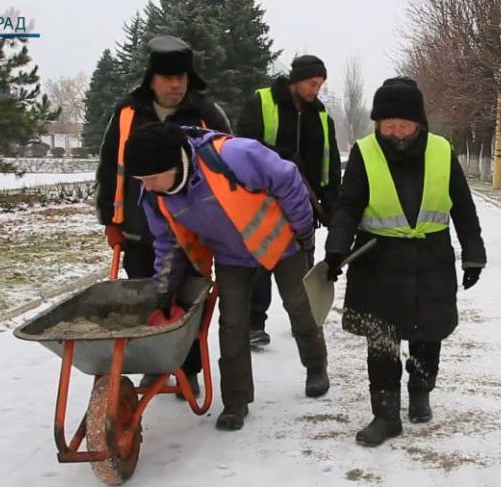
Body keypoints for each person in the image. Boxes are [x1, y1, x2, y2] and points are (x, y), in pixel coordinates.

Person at [123, 122, 330, 431]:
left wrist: (303, 231)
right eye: (142, 180)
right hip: (232, 256)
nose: (147, 186)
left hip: (282, 243)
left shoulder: (234, 155)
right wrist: (164, 289)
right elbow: (168, 241)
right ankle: (235, 401)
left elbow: (288, 180)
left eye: (152, 178)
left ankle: (316, 367)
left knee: (298, 306)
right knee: (232, 323)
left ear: (174, 162)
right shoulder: (156, 197)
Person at [323, 77, 486, 447]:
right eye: (387, 123)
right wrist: (336, 249)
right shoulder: (366, 152)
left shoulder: (442, 151)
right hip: (378, 261)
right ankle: (385, 415)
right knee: (381, 340)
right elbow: (349, 205)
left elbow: (462, 205)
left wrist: (474, 253)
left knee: (428, 335)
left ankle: (420, 391)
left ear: (419, 123)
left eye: (403, 123)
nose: (395, 131)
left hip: (431, 259)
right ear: (377, 122)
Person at [95, 35, 232, 397]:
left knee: (190, 303)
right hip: (140, 230)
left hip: (192, 232)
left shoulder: (205, 112)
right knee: (146, 298)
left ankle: (188, 368)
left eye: (182, 77)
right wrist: (110, 218)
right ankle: (153, 364)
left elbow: (229, 166)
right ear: (151, 78)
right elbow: (111, 167)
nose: (176, 85)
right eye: (169, 78)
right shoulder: (127, 113)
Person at [235, 55, 341, 348]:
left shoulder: (321, 116)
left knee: (304, 263)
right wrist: (279, 155)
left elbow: (330, 162)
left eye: (320, 85)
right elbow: (242, 144)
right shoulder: (262, 102)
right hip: (262, 200)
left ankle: (305, 322)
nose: (315, 90)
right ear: (296, 79)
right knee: (261, 262)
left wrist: (332, 203)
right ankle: (255, 323)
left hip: (304, 202)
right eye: (311, 83)